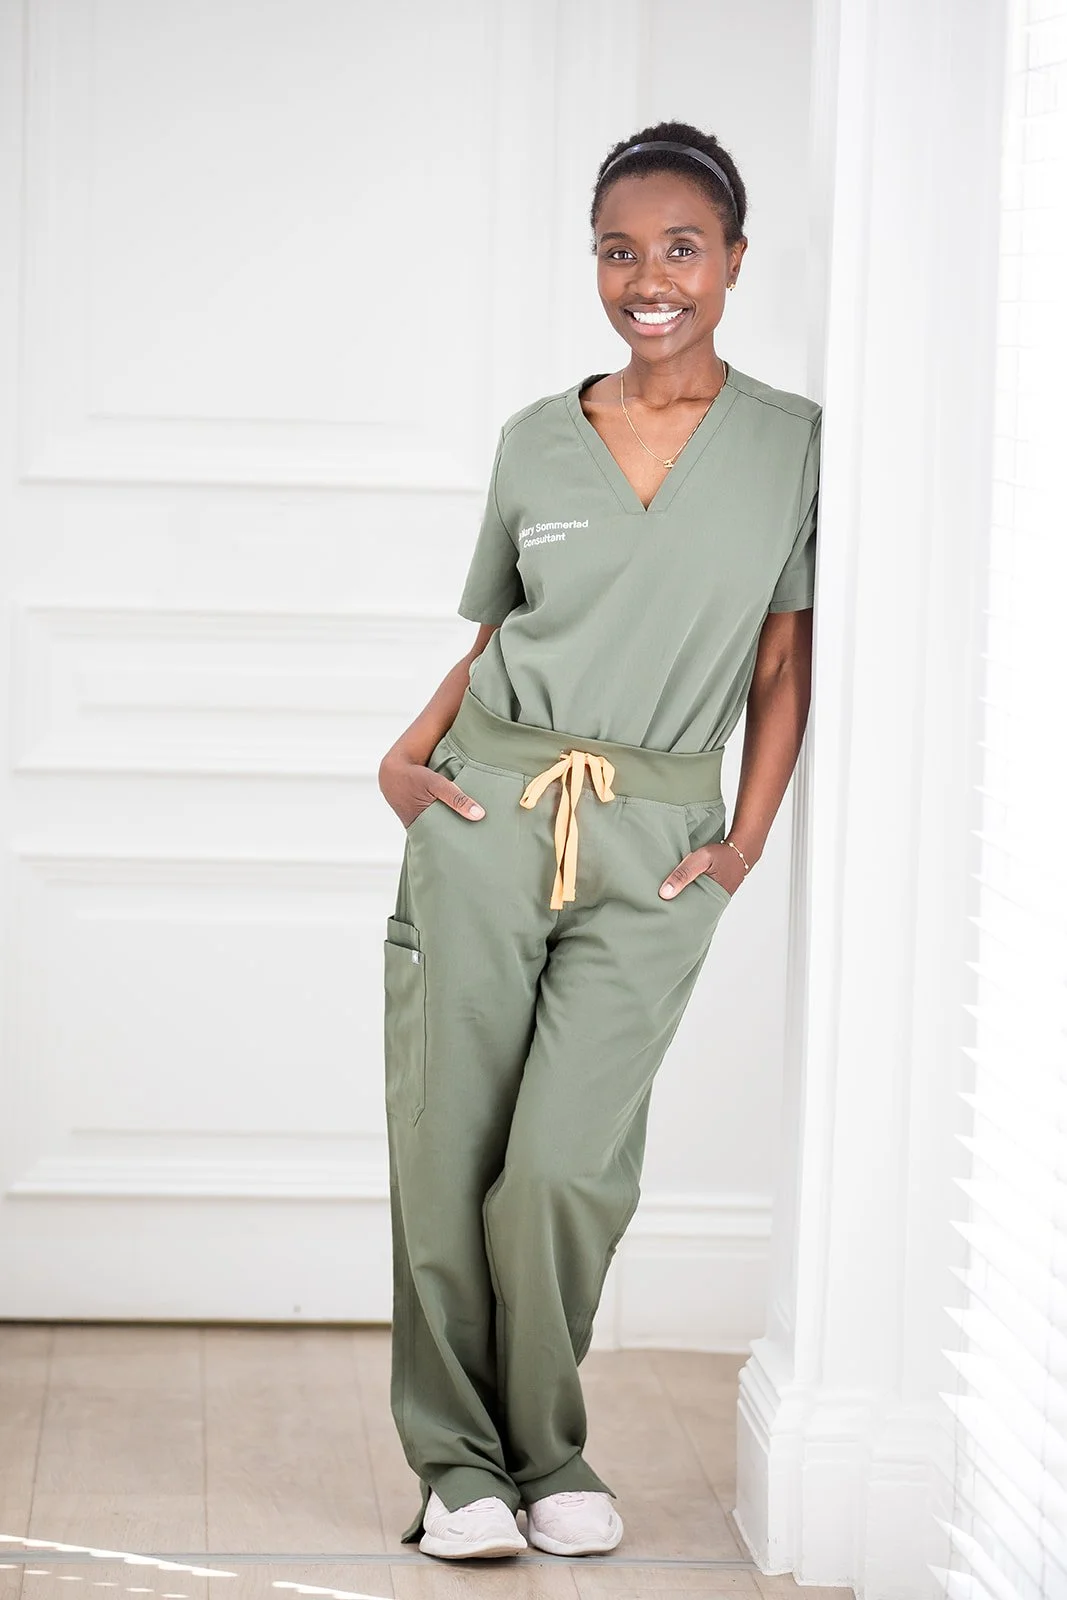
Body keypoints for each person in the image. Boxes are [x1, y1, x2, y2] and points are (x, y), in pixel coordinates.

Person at [377, 119, 820, 1563]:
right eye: (618, 250)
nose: (648, 277)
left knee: (564, 1168)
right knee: (452, 1151)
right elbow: (503, 633)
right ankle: (457, 1472)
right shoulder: (534, 440)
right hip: (486, 813)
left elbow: (777, 665)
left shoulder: (789, 447)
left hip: (656, 846)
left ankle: (544, 1446)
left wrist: (739, 845)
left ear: (733, 262)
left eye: (680, 248)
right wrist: (405, 751)